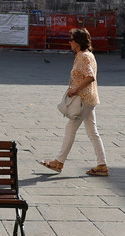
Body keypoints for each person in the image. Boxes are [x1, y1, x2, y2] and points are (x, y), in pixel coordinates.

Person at [40, 27, 109, 176]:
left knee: (70, 128)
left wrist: (75, 90)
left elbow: (90, 77)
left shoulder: (85, 56)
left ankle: (59, 162)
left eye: (71, 39)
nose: (69, 42)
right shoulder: (83, 55)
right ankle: (102, 164)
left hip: (84, 99)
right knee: (92, 132)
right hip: (89, 98)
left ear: (78, 42)